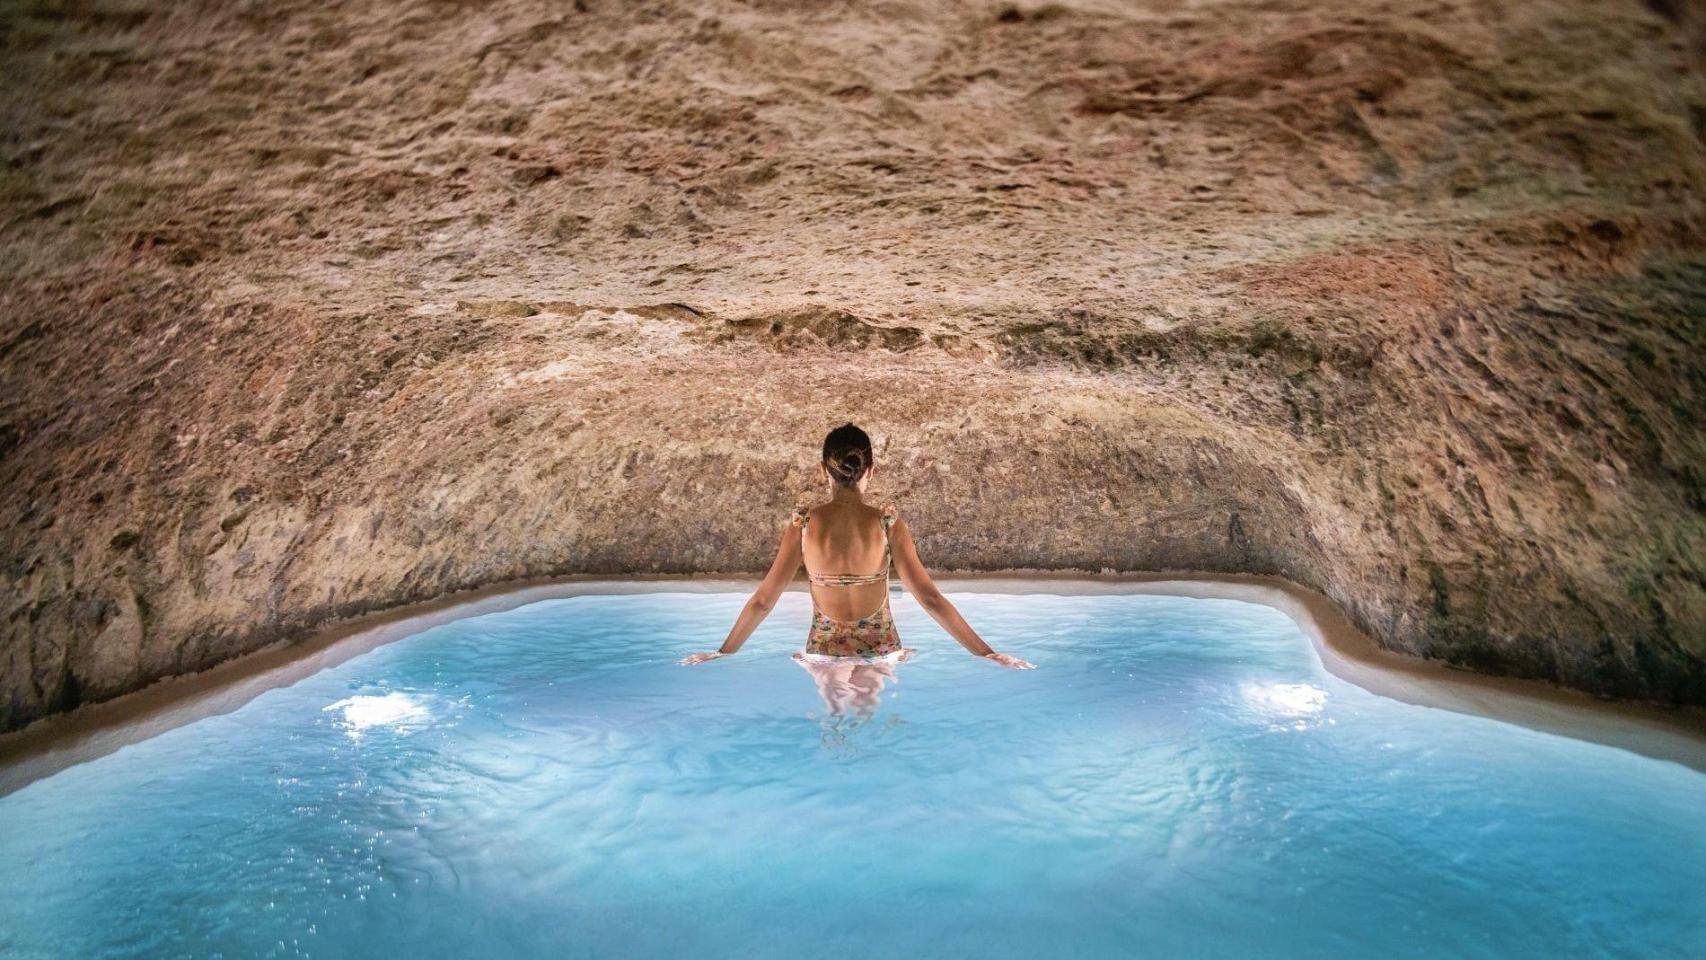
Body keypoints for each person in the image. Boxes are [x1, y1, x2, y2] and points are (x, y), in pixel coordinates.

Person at [680, 423, 1035, 670]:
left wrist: (723, 653)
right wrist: (988, 654)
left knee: (833, 729)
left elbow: (763, 601)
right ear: (871, 470)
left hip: (823, 653)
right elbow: (930, 600)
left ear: (824, 471)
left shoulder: (803, 524)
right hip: (881, 651)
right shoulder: (887, 522)